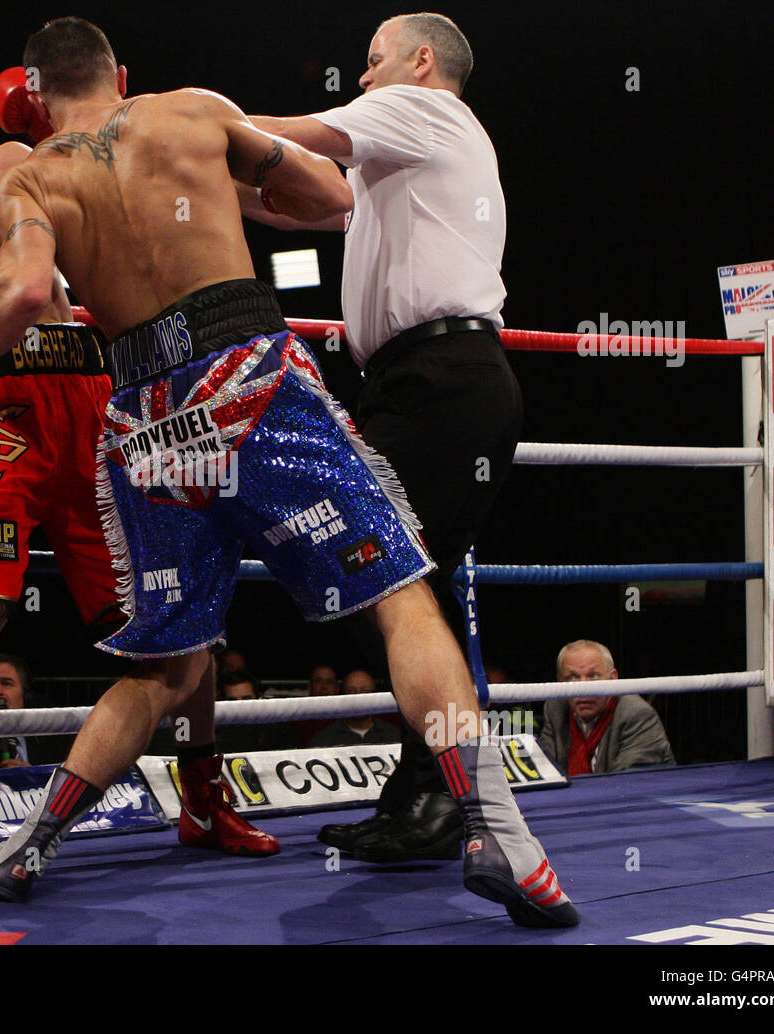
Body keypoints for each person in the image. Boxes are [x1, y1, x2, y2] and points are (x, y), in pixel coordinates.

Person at [0, 17, 577, 928]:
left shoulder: (30, 174)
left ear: (31, 97)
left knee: (163, 660)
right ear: (121, 72)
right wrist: (223, 173)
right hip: (249, 376)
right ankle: (498, 829)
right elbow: (330, 200)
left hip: (141, 415)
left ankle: (26, 847)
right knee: (400, 591)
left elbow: (21, 294)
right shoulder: (191, 112)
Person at [0, 61, 276, 878]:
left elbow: (111, 217)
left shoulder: (11, 165)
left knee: (169, 613)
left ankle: (204, 799)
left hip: (91, 397)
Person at [244, 12, 523, 865]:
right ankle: (420, 795)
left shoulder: (425, 111)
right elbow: (294, 199)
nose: (363, 80)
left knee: (382, 583)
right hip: (428, 385)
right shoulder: (406, 158)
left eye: (373, 63)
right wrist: (179, 191)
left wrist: (166, 122)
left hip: (441, 383)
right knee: (405, 589)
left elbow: (286, 136)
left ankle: (445, 795)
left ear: (421, 61)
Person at [539, 640, 676, 774]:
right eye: (572, 678)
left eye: (593, 676)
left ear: (613, 678)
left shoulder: (636, 713)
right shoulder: (555, 709)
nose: (583, 688)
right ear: (559, 682)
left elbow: (631, 782)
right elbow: (543, 769)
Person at [310, 670, 404, 747]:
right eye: (351, 691)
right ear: (343, 695)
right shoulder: (324, 739)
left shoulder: (395, 736)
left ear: (374, 696)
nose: (358, 696)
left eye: (365, 691)